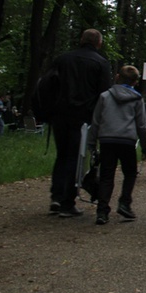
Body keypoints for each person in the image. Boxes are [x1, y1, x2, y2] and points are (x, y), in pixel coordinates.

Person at [49, 29, 112, 218]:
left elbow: (49, 84)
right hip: (84, 117)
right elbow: (104, 95)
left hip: (60, 115)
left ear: (81, 40)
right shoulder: (100, 63)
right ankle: (67, 202)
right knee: (75, 158)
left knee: (62, 154)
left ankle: (56, 196)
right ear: (98, 43)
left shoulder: (62, 60)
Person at [87, 65, 146, 225]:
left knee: (107, 175)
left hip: (107, 139)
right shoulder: (137, 99)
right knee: (130, 173)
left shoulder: (105, 96)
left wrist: (92, 142)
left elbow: (96, 121)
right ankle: (124, 203)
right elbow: (141, 125)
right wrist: (145, 145)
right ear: (135, 82)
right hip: (127, 140)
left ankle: (102, 211)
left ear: (117, 77)